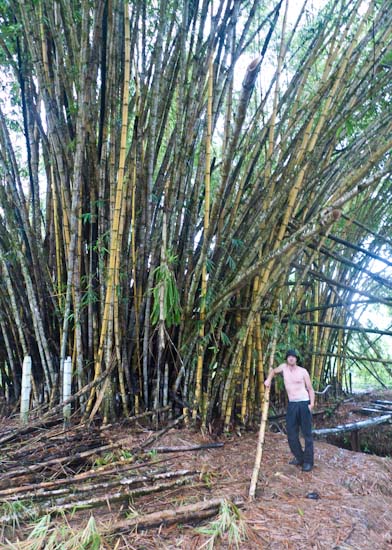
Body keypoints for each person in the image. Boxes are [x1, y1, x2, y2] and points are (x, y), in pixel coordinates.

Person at [264, 350, 315, 472]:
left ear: (296, 359)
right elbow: (273, 371)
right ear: (286, 358)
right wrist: (268, 380)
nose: (291, 359)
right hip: (292, 404)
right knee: (291, 434)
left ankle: (308, 462)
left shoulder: (303, 371)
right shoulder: (283, 368)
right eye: (289, 357)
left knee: (307, 434)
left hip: (303, 403)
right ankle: (299, 457)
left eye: (294, 357)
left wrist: (311, 404)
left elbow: (310, 389)